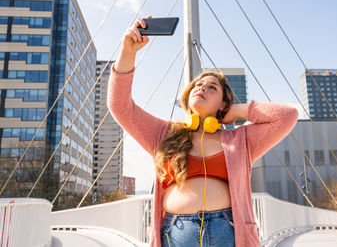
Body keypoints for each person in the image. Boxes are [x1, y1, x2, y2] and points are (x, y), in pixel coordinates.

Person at [107, 16, 299, 247]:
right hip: (175, 234)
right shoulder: (163, 133)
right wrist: (128, 51)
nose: (202, 88)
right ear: (188, 97)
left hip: (227, 232)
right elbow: (120, 107)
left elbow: (288, 116)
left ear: (222, 103)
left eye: (212, 87)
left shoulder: (240, 140)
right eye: (198, 85)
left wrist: (237, 110)